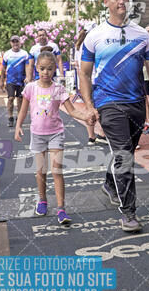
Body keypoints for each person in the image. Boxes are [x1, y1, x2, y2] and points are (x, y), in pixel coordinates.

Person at [80, 0, 149, 233]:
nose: (122, 1)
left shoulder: (141, 36)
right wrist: (90, 105)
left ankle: (109, 183)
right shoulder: (94, 36)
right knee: (124, 154)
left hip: (136, 103)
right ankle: (128, 213)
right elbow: (84, 74)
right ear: (106, 3)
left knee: (124, 152)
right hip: (108, 103)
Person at [15, 48, 95, 224]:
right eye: (42, 68)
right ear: (36, 68)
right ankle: (42, 200)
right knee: (41, 171)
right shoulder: (30, 88)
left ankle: (61, 209)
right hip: (37, 134)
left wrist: (87, 116)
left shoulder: (58, 89)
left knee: (57, 170)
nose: (46, 72)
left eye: (50, 68)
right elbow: (23, 109)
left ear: (54, 70)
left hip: (55, 134)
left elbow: (73, 111)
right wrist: (18, 125)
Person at [73, 25, 108, 146]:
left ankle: (91, 137)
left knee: (89, 109)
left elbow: (77, 66)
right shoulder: (92, 44)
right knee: (102, 108)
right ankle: (102, 134)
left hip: (83, 81)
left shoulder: (78, 46)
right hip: (95, 80)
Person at [0, 35, 29, 127]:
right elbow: (3, 68)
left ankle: (19, 117)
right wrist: (1, 80)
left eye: (17, 41)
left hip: (21, 80)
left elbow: (27, 66)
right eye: (13, 41)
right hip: (10, 80)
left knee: (20, 99)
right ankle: (10, 117)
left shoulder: (24, 54)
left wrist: (28, 77)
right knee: (11, 98)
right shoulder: (7, 54)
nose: (15, 43)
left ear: (20, 42)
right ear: (11, 43)